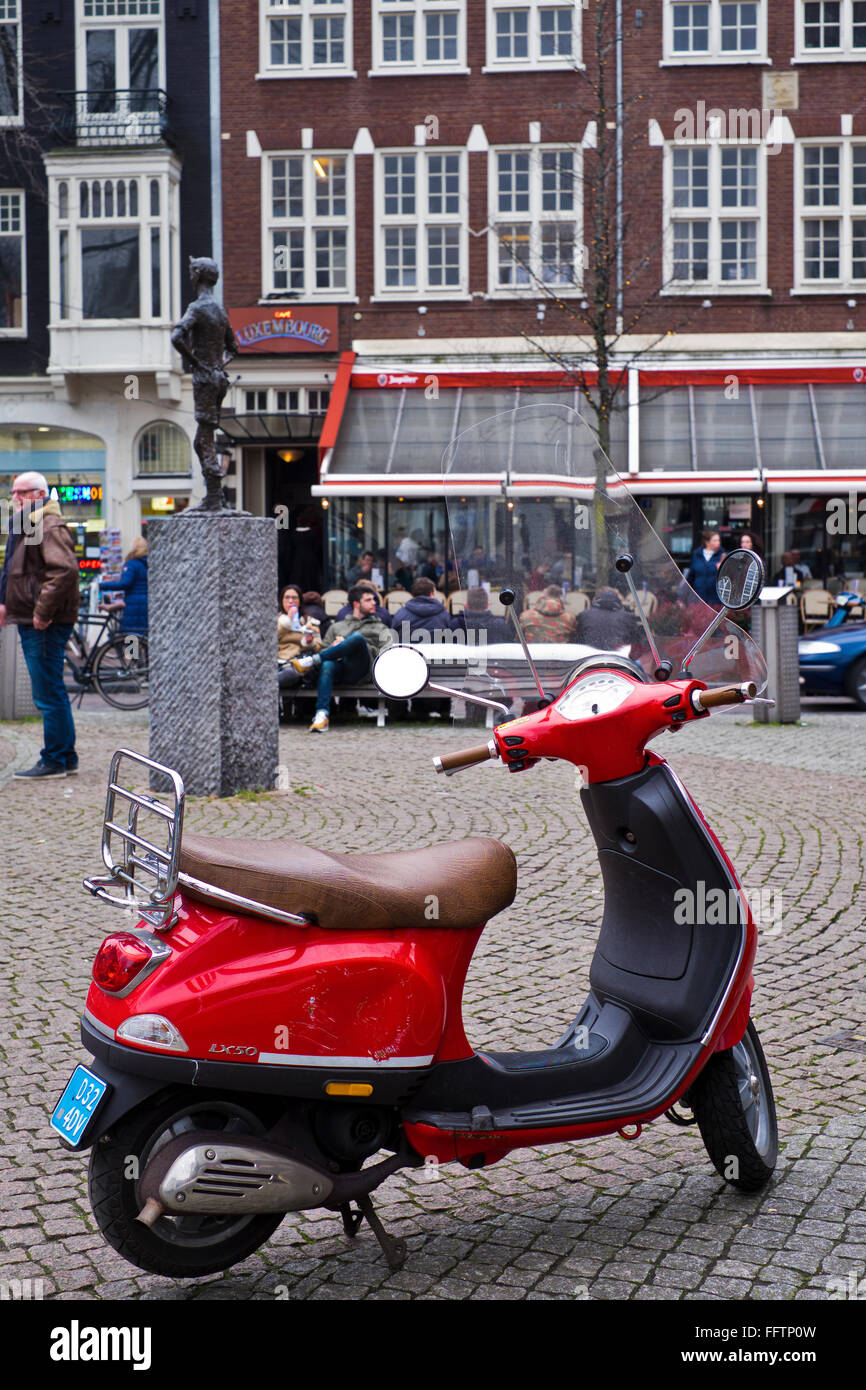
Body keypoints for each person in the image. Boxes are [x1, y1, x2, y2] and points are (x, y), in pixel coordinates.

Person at [0, 472, 80, 778]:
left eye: (21, 493)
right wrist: (4, 601)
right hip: (32, 617)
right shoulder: (26, 524)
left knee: (48, 692)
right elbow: (13, 569)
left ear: (39, 494)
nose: (15, 498)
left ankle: (57, 758)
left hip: (45, 621)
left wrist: (43, 613)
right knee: (48, 690)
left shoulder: (48, 523)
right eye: (13, 492)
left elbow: (63, 571)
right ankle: (62, 755)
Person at [292, 584, 393, 732]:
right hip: (339, 670)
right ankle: (322, 715)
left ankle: (312, 660)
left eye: (374, 599)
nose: (374, 603)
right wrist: (335, 647)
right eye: (369, 600)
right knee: (327, 665)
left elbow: (387, 653)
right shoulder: (337, 627)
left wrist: (358, 646)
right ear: (356, 604)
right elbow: (324, 648)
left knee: (358, 639)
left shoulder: (380, 628)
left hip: (362, 670)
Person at [277, 584, 322, 696]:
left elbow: (318, 646)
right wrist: (287, 621)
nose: (290, 601)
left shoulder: (310, 622)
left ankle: (266, 686)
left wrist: (309, 642)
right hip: (277, 661)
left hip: (297, 664)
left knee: (290, 674)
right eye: (287, 597)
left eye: (294, 598)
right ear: (281, 600)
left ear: (300, 601)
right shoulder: (276, 619)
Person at [100, 536, 148, 634]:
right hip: (146, 603)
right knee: (143, 635)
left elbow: (126, 583)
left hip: (133, 604)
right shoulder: (147, 564)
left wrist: (103, 585)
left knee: (132, 635)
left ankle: (132, 650)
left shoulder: (131, 564)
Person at [576, 588, 640, 651]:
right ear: (618, 600)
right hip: (617, 657)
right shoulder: (628, 617)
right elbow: (634, 641)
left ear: (595, 599)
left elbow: (578, 638)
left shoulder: (584, 615)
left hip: (590, 656)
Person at [392, 577, 451, 642]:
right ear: (431, 594)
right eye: (435, 593)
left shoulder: (400, 614)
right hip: (435, 652)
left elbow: (394, 639)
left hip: (410, 651)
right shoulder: (444, 615)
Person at [685, 531, 725, 605]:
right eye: (715, 540)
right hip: (698, 598)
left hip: (715, 600)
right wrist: (684, 596)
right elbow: (691, 577)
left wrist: (722, 570)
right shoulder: (697, 554)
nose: (718, 543)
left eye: (719, 540)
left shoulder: (722, 555)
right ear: (707, 542)